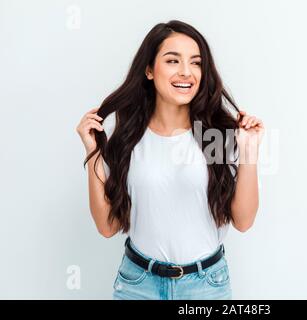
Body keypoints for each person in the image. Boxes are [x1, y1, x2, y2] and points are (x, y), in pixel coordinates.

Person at [76, 20, 264, 300]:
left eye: (196, 63)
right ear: (149, 70)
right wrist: (93, 152)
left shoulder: (214, 135)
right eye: (173, 60)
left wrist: (249, 152)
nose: (186, 72)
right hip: (137, 284)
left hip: (205, 286)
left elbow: (243, 220)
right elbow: (107, 226)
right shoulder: (129, 137)